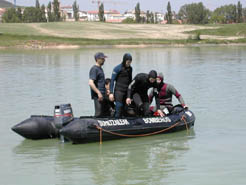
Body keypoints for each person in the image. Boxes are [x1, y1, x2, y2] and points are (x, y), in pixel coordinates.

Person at [109, 53, 133, 118]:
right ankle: (115, 121)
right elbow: (112, 81)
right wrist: (111, 93)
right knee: (119, 107)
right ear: (124, 60)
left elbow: (130, 83)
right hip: (119, 91)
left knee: (125, 109)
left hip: (126, 91)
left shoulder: (130, 69)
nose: (129, 64)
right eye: (128, 62)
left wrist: (129, 96)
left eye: (130, 62)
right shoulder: (117, 68)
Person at [89, 52, 110, 117]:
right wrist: (98, 93)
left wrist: (106, 90)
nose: (104, 60)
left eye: (104, 58)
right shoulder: (94, 69)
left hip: (103, 94)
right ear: (97, 59)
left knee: (104, 113)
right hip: (98, 96)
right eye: (102, 58)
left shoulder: (100, 69)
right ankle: (94, 126)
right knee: (98, 114)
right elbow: (91, 83)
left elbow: (101, 82)